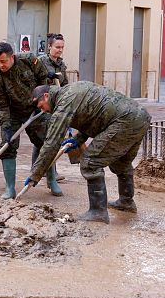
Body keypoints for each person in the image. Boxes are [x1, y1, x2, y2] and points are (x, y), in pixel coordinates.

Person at [27, 82, 151, 223]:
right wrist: (78, 139)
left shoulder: (63, 104)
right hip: (139, 117)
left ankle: (98, 212)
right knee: (121, 162)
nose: (43, 111)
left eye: (41, 106)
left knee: (90, 162)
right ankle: (126, 202)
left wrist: (35, 174)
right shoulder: (70, 91)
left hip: (124, 121)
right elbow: (92, 116)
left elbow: (51, 144)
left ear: (46, 96)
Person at [0, 42, 62, 199]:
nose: (0, 65)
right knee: (7, 146)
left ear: (12, 57)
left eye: (3, 61)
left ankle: (51, 180)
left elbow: (43, 79)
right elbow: (0, 104)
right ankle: (10, 189)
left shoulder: (29, 60)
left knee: (46, 142)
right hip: (13, 112)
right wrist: (6, 126)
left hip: (36, 107)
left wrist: (41, 102)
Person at [39, 33, 68, 182]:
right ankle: (41, 170)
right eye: (57, 47)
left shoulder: (62, 65)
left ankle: (50, 170)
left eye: (62, 47)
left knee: (54, 137)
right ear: (49, 46)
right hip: (44, 105)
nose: (60, 50)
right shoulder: (41, 62)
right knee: (43, 138)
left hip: (58, 105)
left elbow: (65, 85)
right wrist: (47, 76)